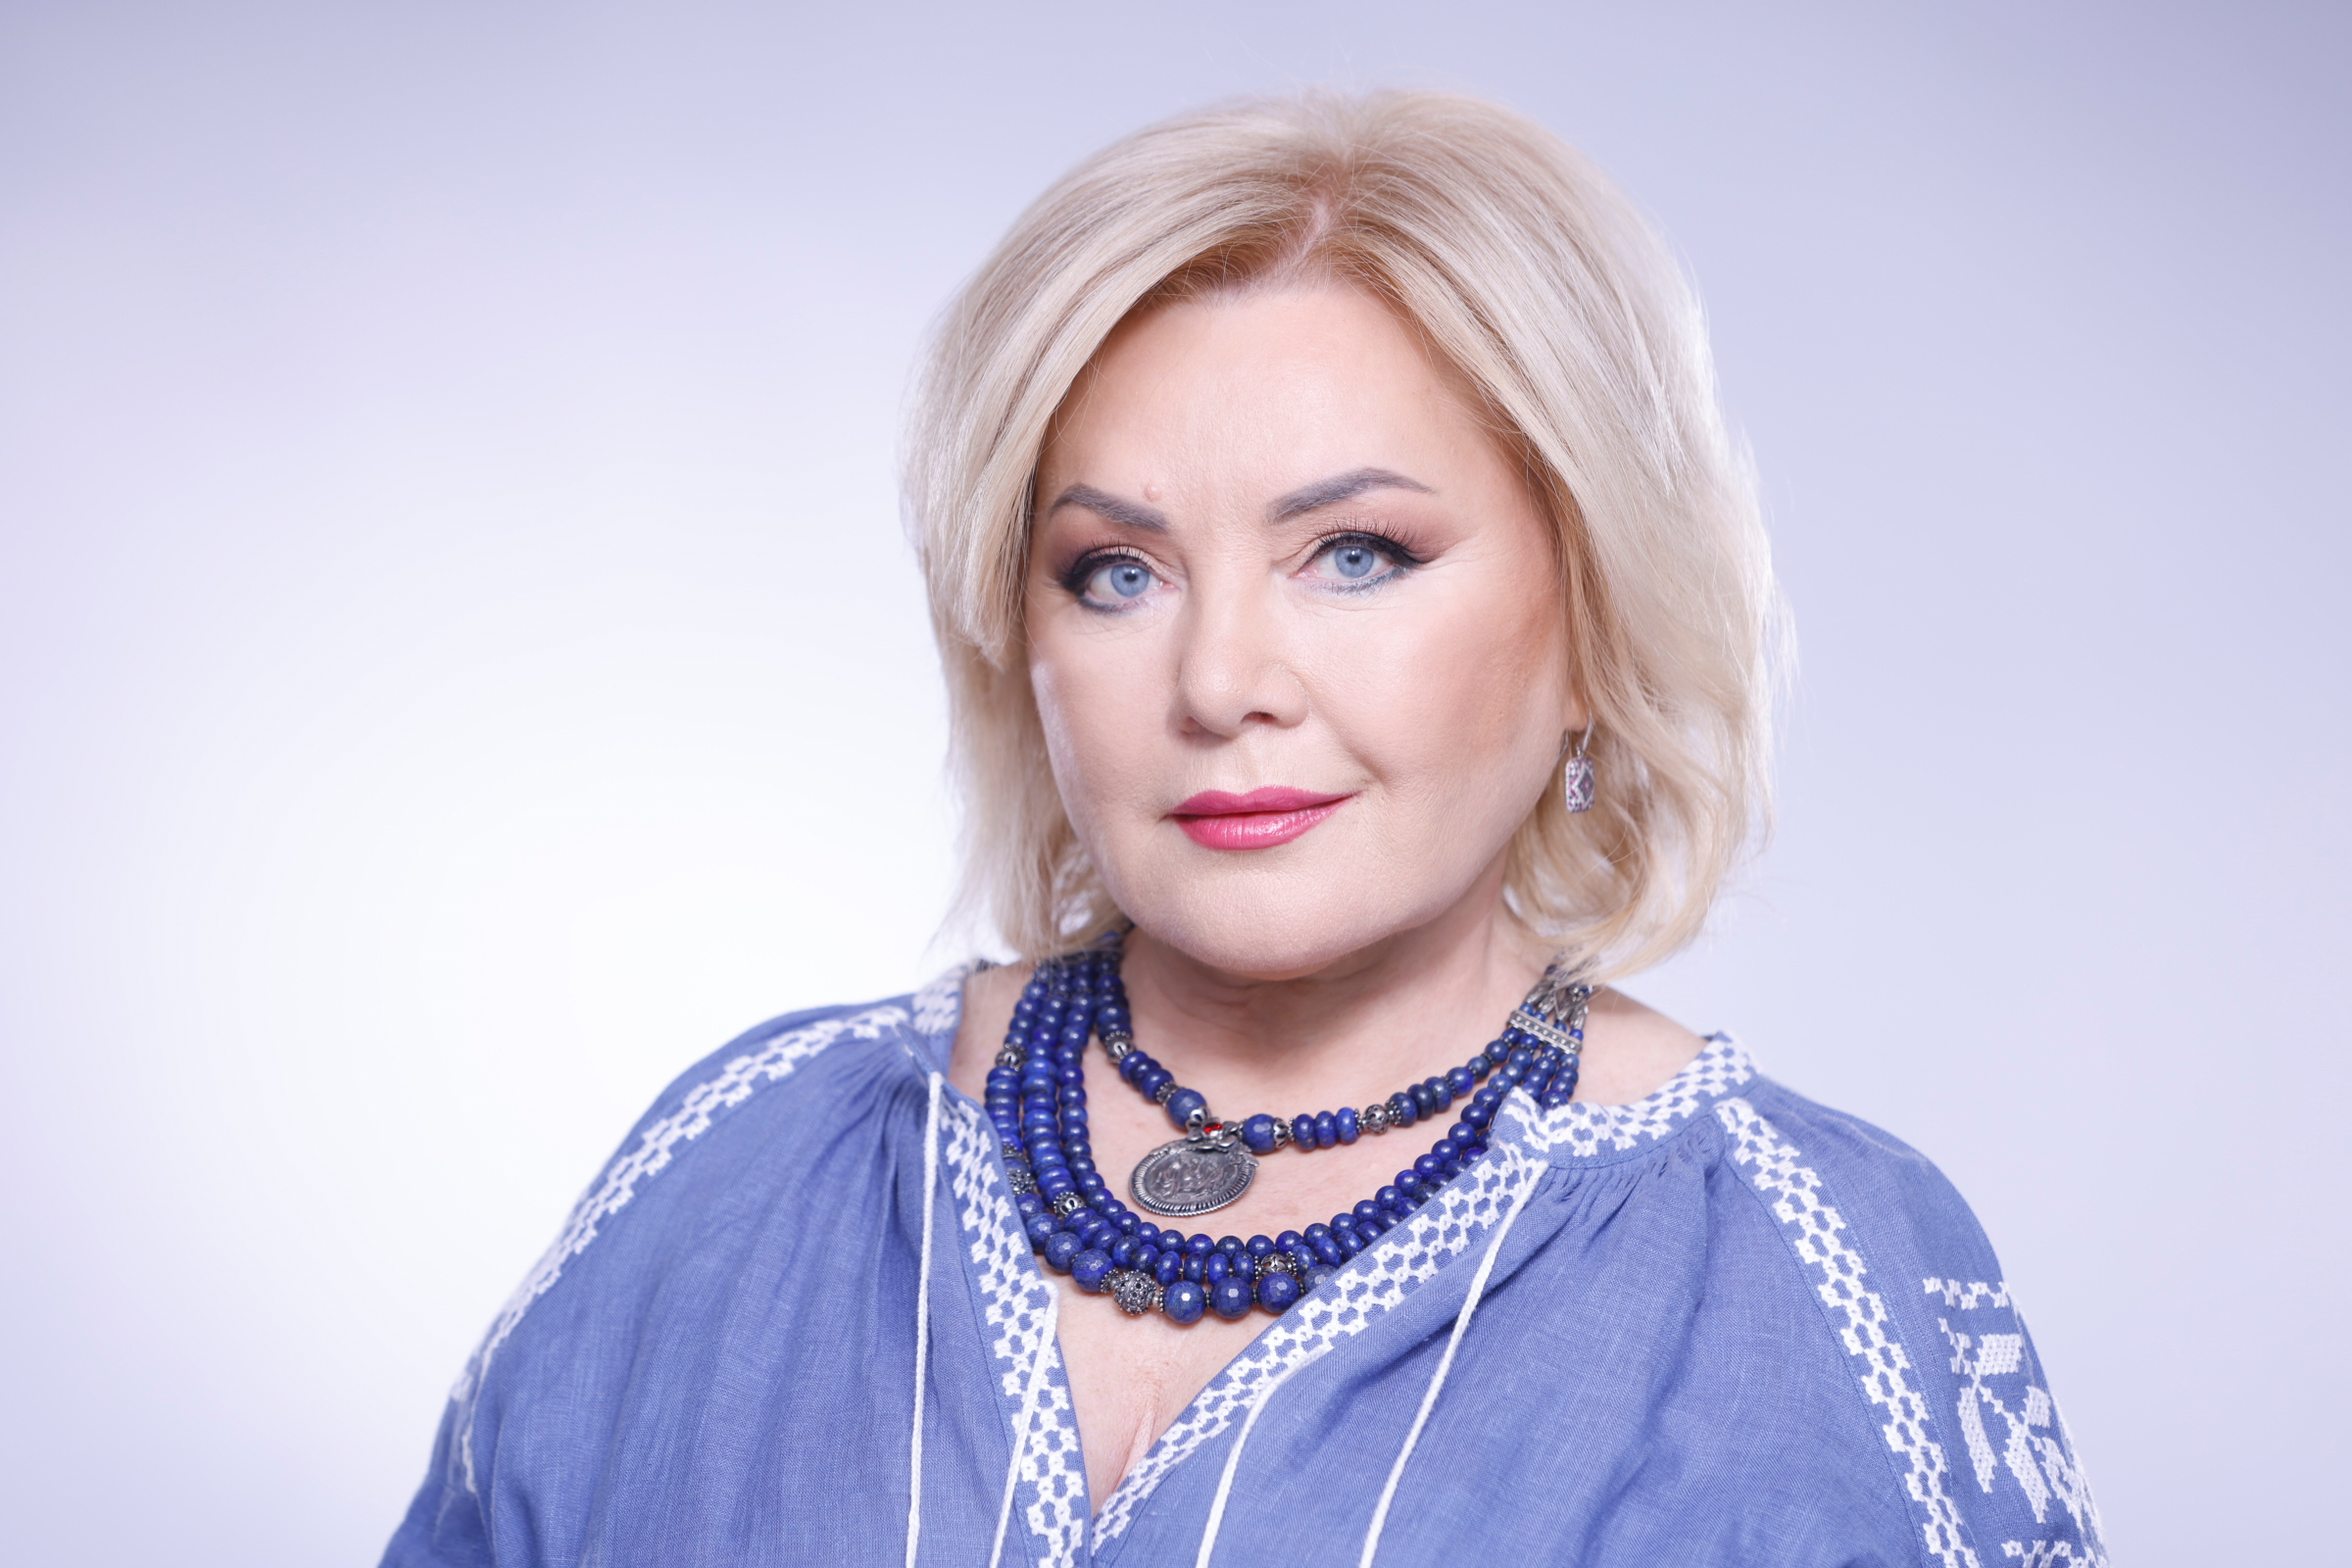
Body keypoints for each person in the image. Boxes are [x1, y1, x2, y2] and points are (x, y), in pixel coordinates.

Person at [382, 91, 2105, 1567]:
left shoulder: (1810, 1273)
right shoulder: (743, 1166)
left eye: (1356, 555)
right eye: (1114, 573)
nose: (1218, 681)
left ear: (1595, 617)